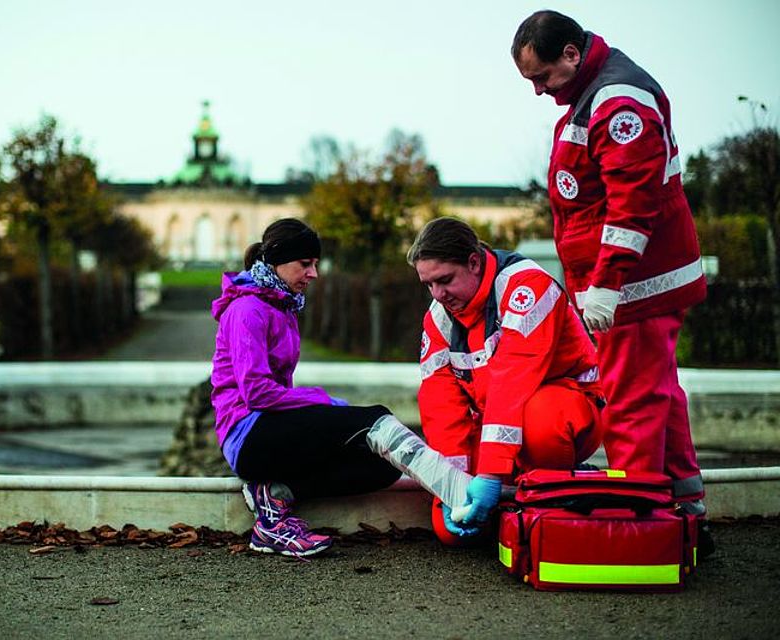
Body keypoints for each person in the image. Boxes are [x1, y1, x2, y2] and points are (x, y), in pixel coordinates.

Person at [510, 10, 711, 552]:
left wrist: (606, 284)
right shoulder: (598, 91)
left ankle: (639, 524)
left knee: (629, 402)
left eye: (542, 77)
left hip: (636, 286)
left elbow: (631, 204)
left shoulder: (617, 100)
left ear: (572, 55)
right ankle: (685, 513)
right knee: (658, 395)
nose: (538, 90)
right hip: (640, 282)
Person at [211, 218, 481, 557]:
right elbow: (257, 393)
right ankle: (460, 493)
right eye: (305, 264)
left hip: (270, 430)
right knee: (375, 419)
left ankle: (275, 493)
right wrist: (323, 403)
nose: (314, 273)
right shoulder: (247, 309)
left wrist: (320, 415)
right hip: (247, 435)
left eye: (315, 264)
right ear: (277, 262)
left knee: (382, 465)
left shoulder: (281, 307)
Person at [408, 217, 605, 545]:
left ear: (473, 262)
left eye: (444, 280)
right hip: (499, 425)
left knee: (543, 422)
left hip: (567, 409)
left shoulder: (526, 287)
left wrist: (488, 475)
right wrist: (450, 489)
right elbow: (440, 406)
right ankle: (520, 498)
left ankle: (558, 485)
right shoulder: (439, 317)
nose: (438, 295)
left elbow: (512, 381)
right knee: (448, 531)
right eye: (428, 285)